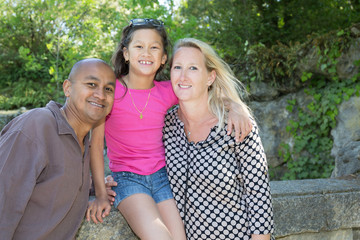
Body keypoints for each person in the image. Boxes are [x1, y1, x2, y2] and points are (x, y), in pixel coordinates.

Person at [86, 18, 252, 240]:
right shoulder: (111, 90)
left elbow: (208, 92)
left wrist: (237, 107)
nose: (146, 53)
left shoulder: (168, 91)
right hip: (127, 180)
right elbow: (95, 145)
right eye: (138, 46)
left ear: (163, 58)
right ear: (126, 53)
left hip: (164, 178)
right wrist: (99, 192)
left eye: (154, 47)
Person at [162, 38, 274, 240]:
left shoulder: (235, 124)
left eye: (193, 68)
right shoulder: (165, 126)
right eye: (177, 67)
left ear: (210, 77)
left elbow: (259, 197)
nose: (183, 76)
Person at [0, 58, 116, 240]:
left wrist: (93, 185)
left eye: (108, 89)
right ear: (67, 88)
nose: (101, 95)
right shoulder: (37, 126)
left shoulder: (83, 141)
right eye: (91, 84)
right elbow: (4, 198)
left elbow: (53, 179)